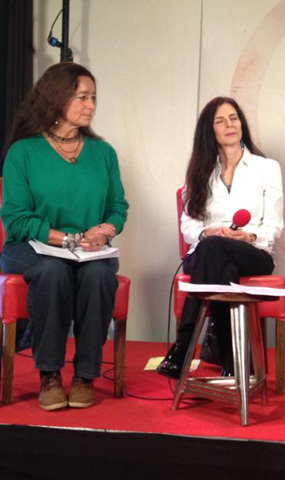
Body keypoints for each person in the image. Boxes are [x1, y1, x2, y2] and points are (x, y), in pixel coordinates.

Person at [0, 62, 129, 411]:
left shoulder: (103, 154)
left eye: (94, 98)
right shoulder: (23, 152)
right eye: (82, 97)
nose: (91, 105)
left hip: (90, 252)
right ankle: (50, 374)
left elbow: (118, 207)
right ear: (57, 99)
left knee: (100, 275)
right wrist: (66, 240)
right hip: (29, 248)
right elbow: (16, 219)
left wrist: (105, 231)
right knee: (51, 271)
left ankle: (86, 375)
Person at [156, 97, 283, 379]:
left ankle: (184, 345)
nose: (230, 125)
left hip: (253, 252)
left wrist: (247, 235)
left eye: (234, 118)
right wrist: (208, 232)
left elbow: (274, 227)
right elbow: (188, 224)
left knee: (219, 253)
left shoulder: (267, 168)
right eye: (220, 120)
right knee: (222, 264)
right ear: (209, 130)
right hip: (206, 254)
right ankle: (235, 359)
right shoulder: (201, 171)